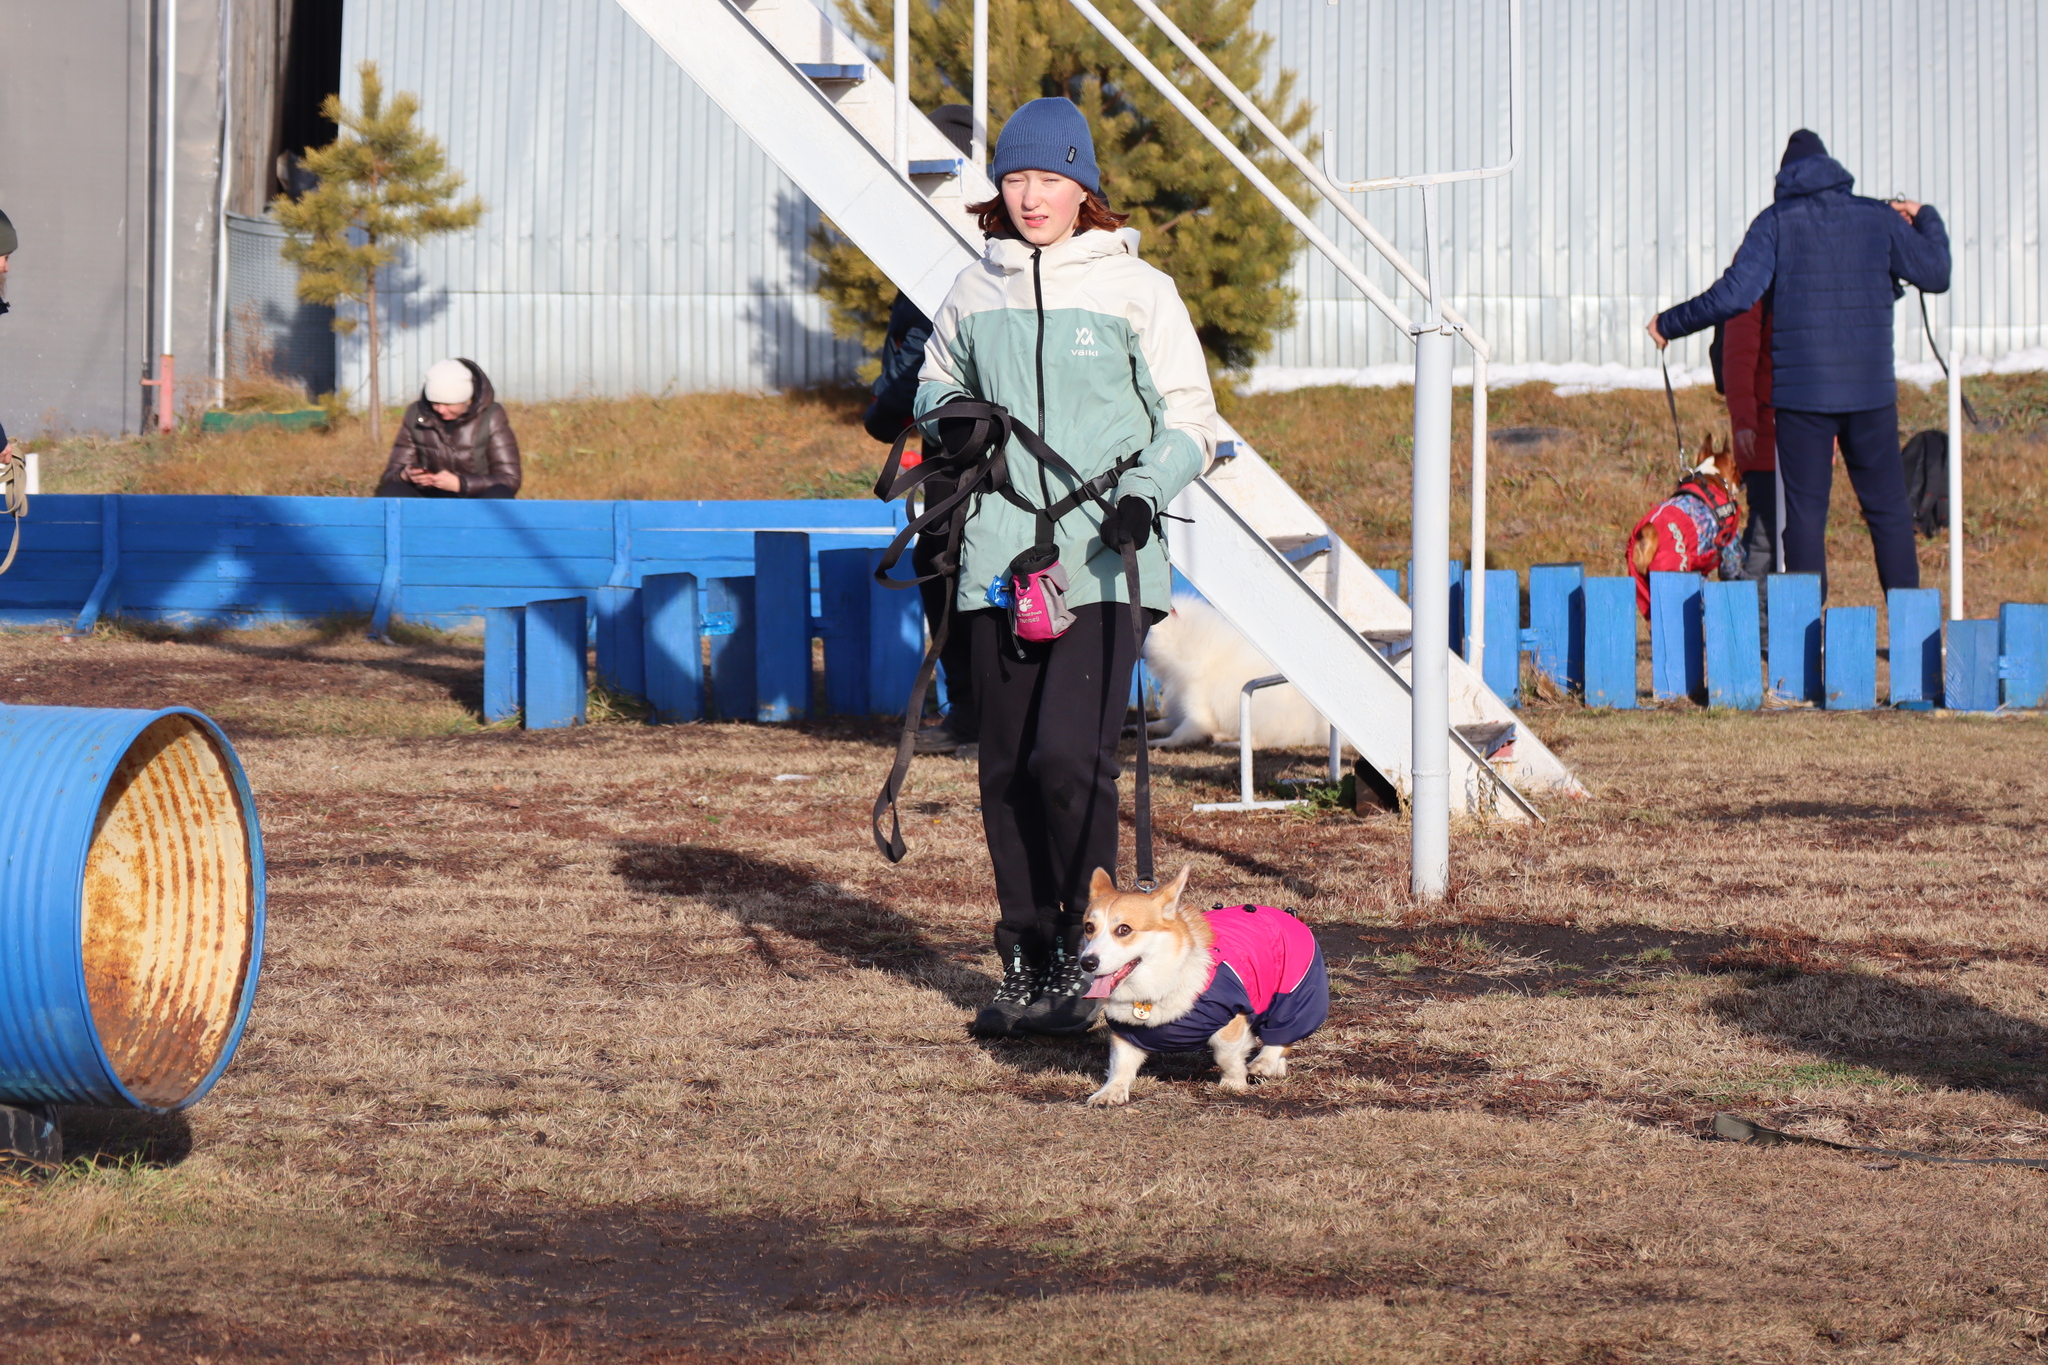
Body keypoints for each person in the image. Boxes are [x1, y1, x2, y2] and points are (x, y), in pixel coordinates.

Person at [913, 98, 1216, 1038]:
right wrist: (952, 417)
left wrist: (1147, 489)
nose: (1031, 195)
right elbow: (933, 385)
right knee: (1002, 766)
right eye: (1015, 178)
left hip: (1103, 554)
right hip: (998, 555)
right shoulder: (974, 287)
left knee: (1064, 760)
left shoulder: (1140, 291)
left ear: (1084, 188)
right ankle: (1028, 963)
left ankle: (1095, 958)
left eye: (1049, 178)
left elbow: (1191, 421)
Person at [1648, 130, 1948, 594]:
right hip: (1870, 394)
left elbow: (1734, 294)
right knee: (1888, 512)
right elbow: (1936, 272)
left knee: (1805, 519)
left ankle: (1808, 642)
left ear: (1784, 179)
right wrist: (1924, 216)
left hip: (1802, 401)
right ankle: (1912, 640)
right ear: (1834, 172)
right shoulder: (1877, 219)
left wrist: (1669, 323)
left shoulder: (1776, 222)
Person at [864, 106, 979, 755]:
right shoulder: (974, 241)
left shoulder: (936, 251)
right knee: (941, 561)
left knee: (943, 561)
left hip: (963, 445)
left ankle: (975, 714)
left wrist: (881, 412)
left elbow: (916, 354)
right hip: (957, 441)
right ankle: (978, 711)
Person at [376, 358, 522, 498]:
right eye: (435, 403)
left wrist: (461, 484)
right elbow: (391, 475)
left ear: (467, 399)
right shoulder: (415, 414)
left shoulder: (492, 416)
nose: (440, 410)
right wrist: (406, 474)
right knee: (395, 490)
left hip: (476, 500)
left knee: (500, 494)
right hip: (429, 499)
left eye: (448, 404)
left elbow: (510, 479)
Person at [1721, 296, 1779, 579]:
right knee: (1764, 542)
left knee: (1799, 541)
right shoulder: (1758, 267)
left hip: (1805, 434)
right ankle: (1750, 619)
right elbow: (1738, 354)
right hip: (1764, 433)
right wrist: (1745, 420)